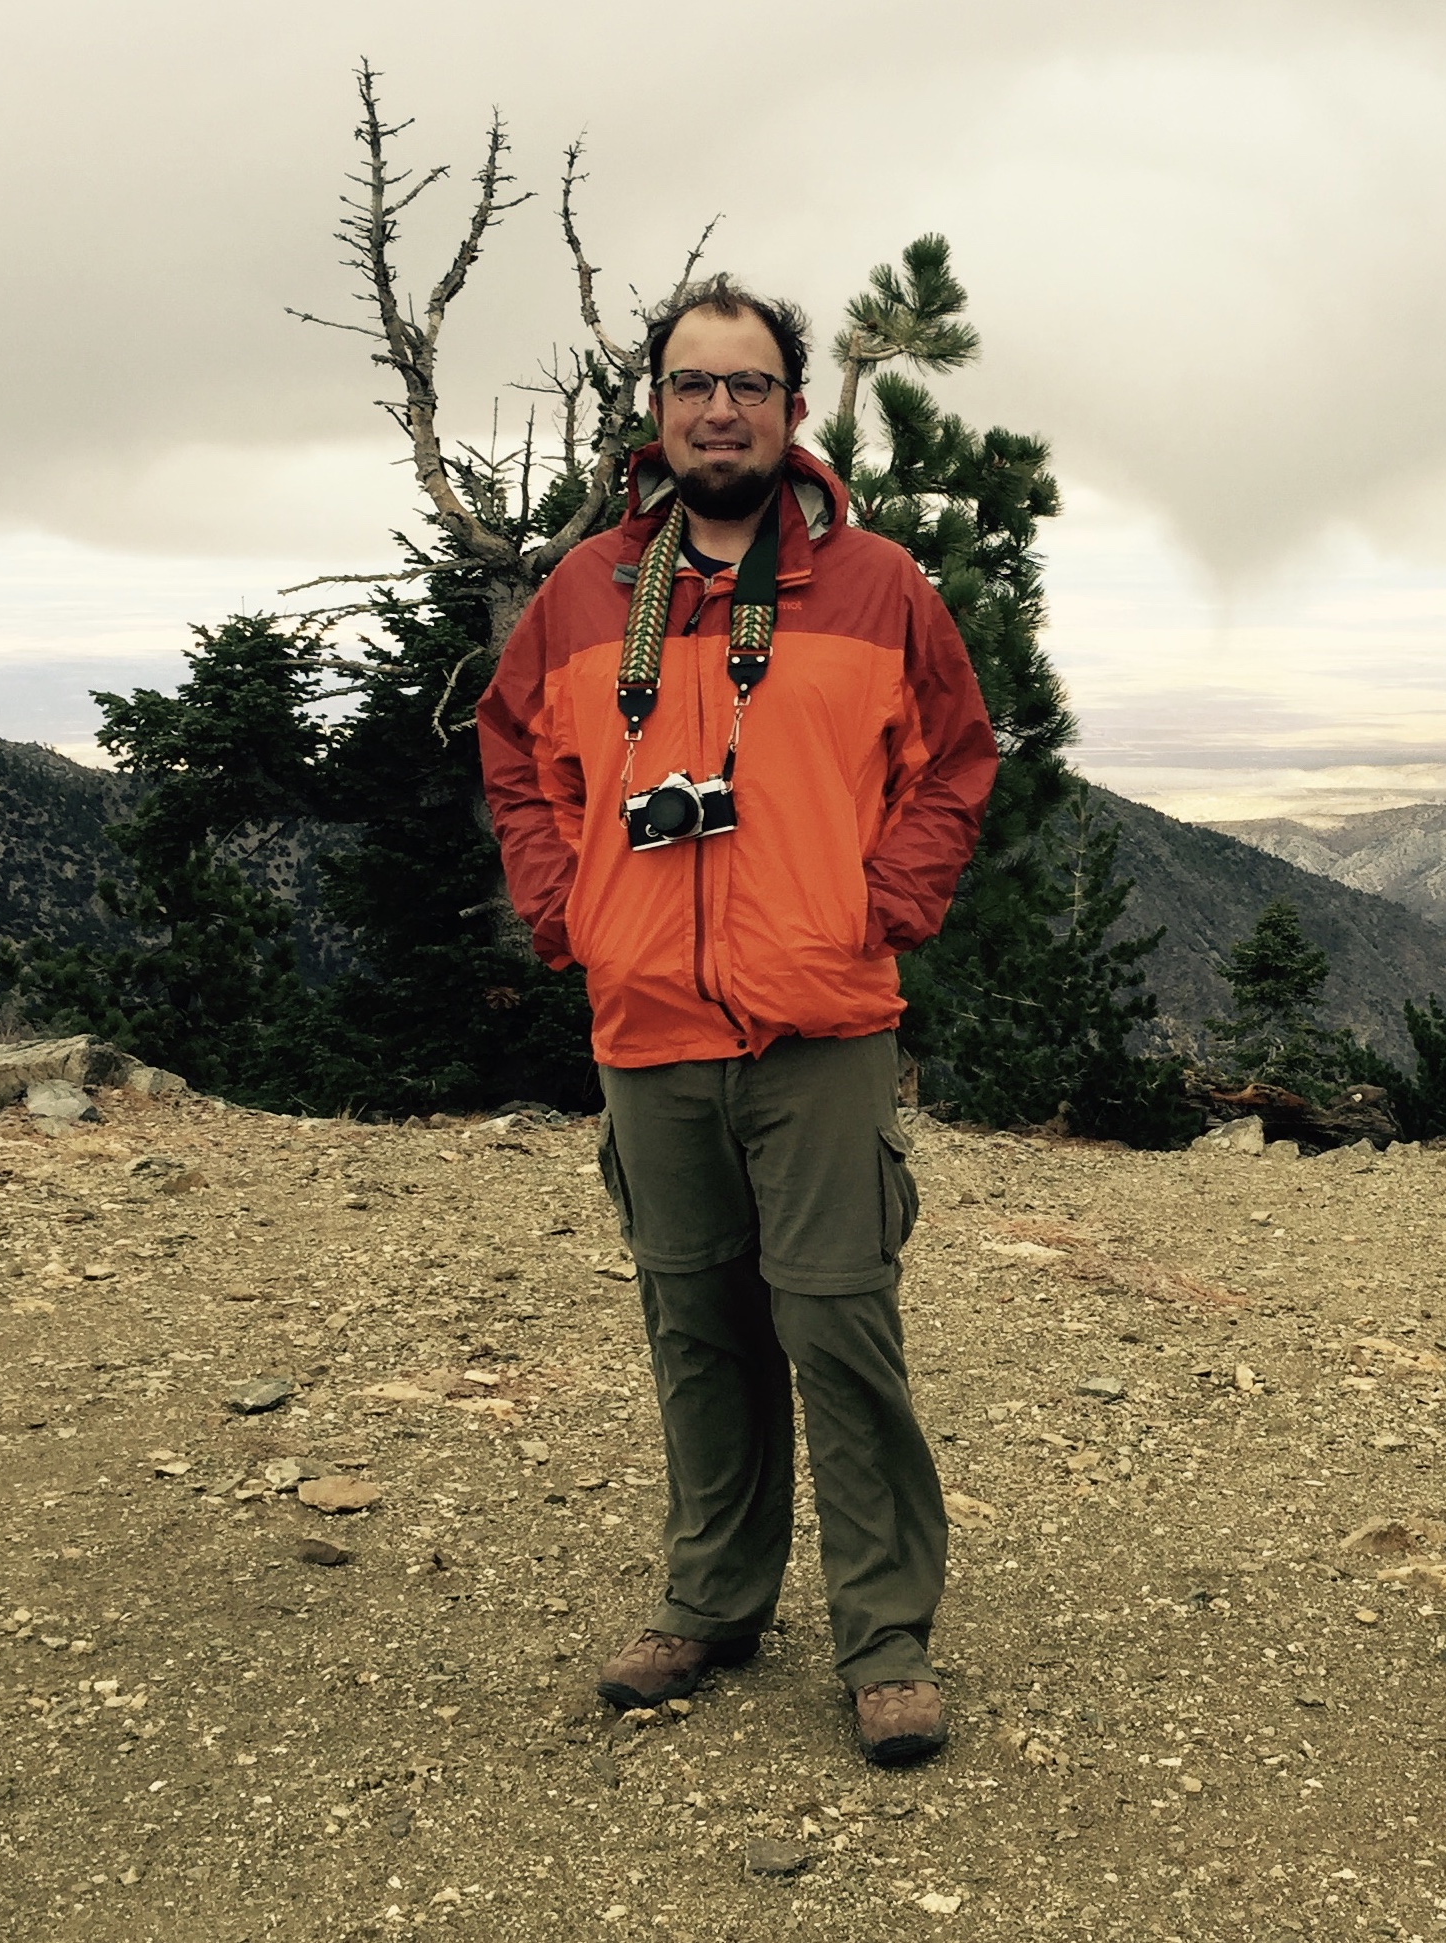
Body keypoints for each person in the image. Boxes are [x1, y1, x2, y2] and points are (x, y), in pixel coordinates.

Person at [477, 275, 998, 1767]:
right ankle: (712, 1602)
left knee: (839, 1324)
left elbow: (957, 760)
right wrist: (564, 908)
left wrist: (879, 904)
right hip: (647, 1023)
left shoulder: (880, 584)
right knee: (696, 1325)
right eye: (694, 385)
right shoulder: (587, 593)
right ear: (657, 413)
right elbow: (519, 759)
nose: (721, 409)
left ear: (790, 409)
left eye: (750, 385)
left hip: (820, 1018)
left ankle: (885, 1640)